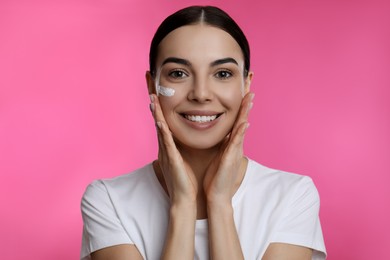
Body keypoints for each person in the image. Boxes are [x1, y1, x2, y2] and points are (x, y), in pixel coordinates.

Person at [80, 5, 326, 260]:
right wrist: (182, 206)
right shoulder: (109, 201)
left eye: (222, 73)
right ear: (152, 85)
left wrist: (219, 204)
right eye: (178, 73)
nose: (200, 94)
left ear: (246, 84)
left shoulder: (292, 196)